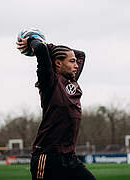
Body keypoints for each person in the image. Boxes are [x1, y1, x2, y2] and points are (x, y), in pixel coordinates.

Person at [16, 36, 96, 180]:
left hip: (70, 159)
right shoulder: (49, 82)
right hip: (47, 159)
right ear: (58, 64)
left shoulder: (72, 80)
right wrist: (31, 41)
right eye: (72, 62)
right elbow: (40, 49)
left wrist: (52, 48)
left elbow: (80, 54)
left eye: (75, 62)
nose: (76, 65)